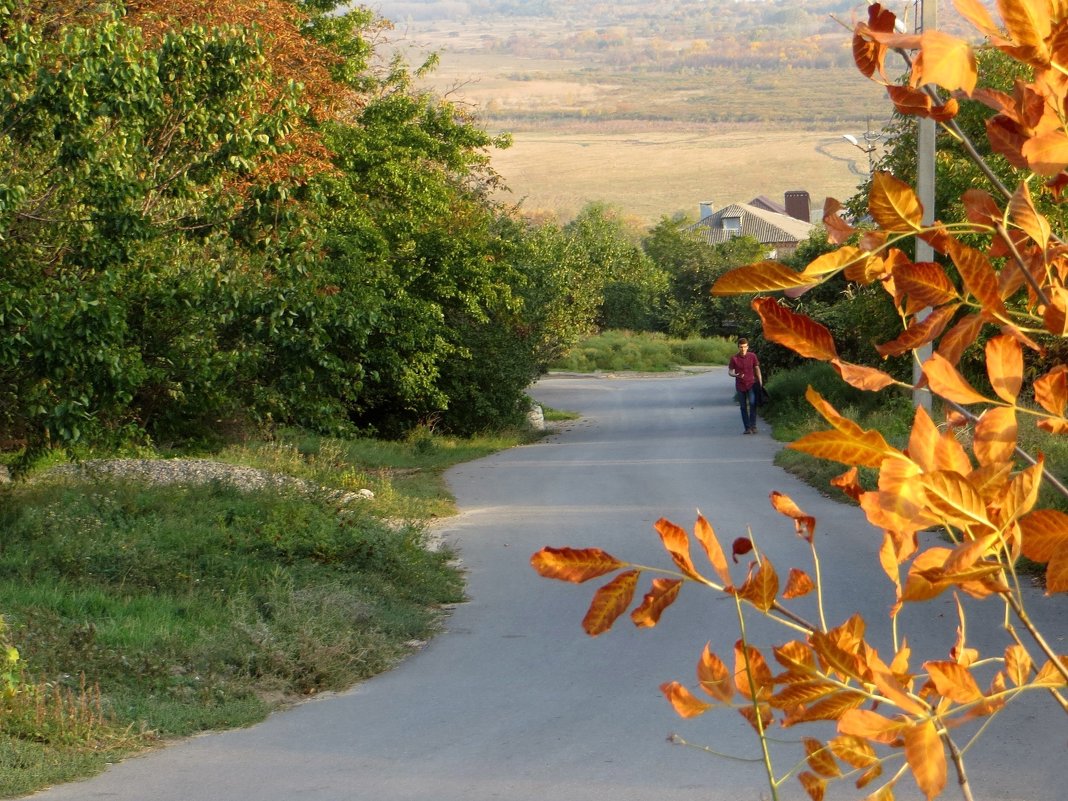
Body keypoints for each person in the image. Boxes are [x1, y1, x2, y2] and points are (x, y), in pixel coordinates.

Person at [728, 337, 763, 434]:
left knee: (752, 403)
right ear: (738, 347)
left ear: (747, 347)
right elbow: (730, 371)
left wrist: (760, 380)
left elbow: (757, 368)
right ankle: (747, 428)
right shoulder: (734, 358)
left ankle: (753, 426)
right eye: (740, 347)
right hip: (740, 386)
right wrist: (735, 375)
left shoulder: (752, 356)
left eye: (744, 347)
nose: (743, 349)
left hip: (751, 384)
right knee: (743, 407)